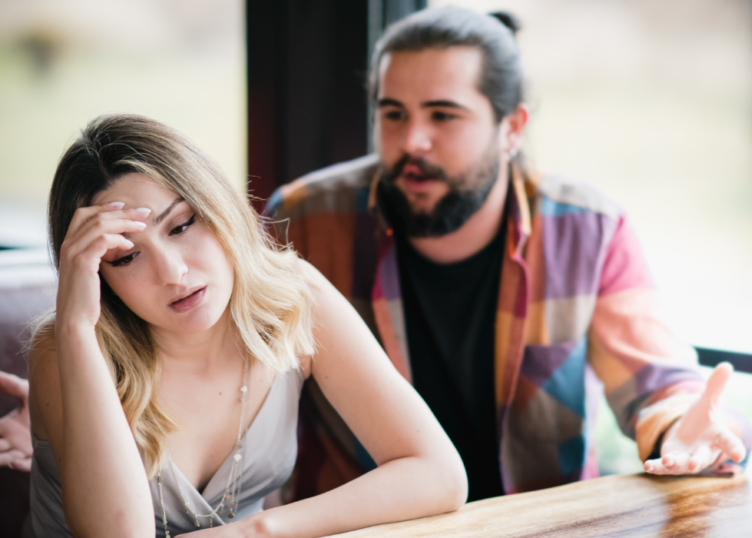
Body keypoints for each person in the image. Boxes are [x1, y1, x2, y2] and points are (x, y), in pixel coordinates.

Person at [265, 6, 752, 502]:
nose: (412, 141)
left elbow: (656, 384)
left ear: (512, 128)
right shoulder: (305, 220)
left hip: (539, 527)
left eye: (443, 115)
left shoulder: (586, 228)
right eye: (393, 114)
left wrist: (686, 430)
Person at [22, 114, 466, 537]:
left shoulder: (292, 300)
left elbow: (439, 473)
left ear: (218, 206)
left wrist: (262, 530)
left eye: (180, 226)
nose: (173, 272)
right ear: (100, 276)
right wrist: (76, 329)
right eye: (126, 257)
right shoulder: (68, 346)